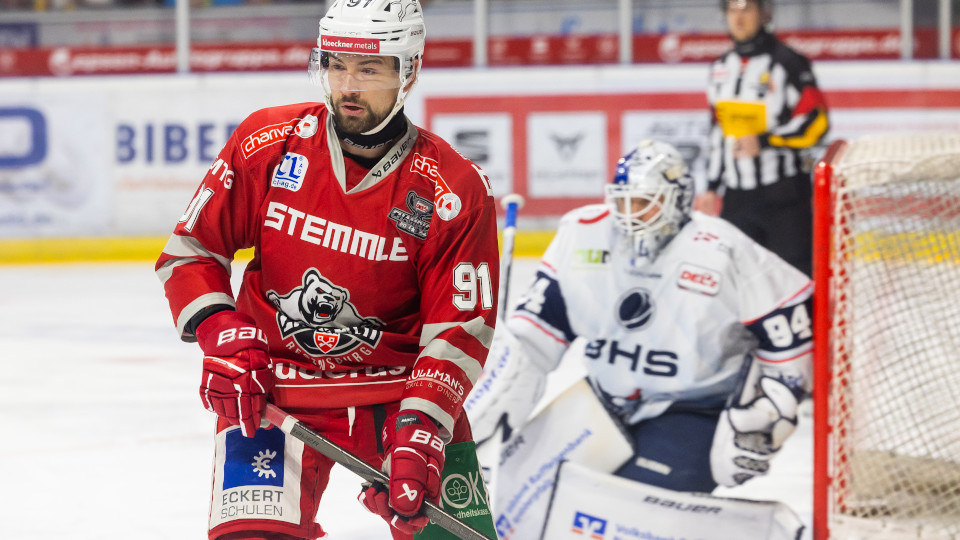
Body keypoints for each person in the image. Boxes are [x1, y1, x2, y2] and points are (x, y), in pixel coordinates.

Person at [154, 1, 500, 539]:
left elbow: (459, 329)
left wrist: (423, 424)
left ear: (409, 71)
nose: (348, 86)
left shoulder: (452, 188)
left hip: (400, 397)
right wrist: (221, 335)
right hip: (274, 390)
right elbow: (191, 250)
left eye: (369, 69)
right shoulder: (268, 143)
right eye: (337, 65)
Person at [467, 140, 812, 499]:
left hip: (693, 409)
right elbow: (534, 340)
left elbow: (790, 328)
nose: (630, 214)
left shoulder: (725, 251)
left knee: (628, 503)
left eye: (644, 203)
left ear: (677, 200)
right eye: (623, 201)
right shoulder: (584, 234)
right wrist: (491, 395)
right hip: (603, 403)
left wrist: (770, 412)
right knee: (520, 491)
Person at [695, 0, 829, 277]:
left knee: (795, 281)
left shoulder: (788, 63)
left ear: (764, 13)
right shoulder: (720, 68)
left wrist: (766, 141)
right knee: (738, 282)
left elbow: (817, 124)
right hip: (737, 198)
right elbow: (718, 133)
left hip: (784, 195)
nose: (739, 17)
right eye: (732, 9)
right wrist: (710, 187)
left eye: (746, 8)